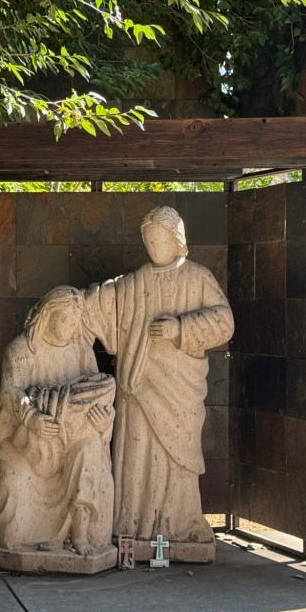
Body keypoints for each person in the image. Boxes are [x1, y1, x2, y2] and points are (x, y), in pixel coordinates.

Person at [84, 206, 234, 543]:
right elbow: (100, 303)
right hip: (137, 384)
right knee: (136, 455)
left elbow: (224, 322)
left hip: (180, 387)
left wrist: (180, 328)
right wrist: (68, 306)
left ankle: (179, 523)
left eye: (159, 239)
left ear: (175, 239)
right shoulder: (134, 282)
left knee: (176, 456)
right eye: (148, 240)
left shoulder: (196, 277)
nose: (153, 246)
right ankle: (132, 525)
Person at [0, 286, 116, 555]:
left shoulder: (82, 351)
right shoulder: (22, 349)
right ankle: (18, 536)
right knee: (13, 485)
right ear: (48, 315)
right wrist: (32, 417)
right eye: (65, 319)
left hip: (69, 439)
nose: (71, 327)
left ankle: (79, 535)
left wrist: (105, 419)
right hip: (24, 440)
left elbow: (95, 394)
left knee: (90, 448)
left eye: (75, 321)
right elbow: (10, 391)